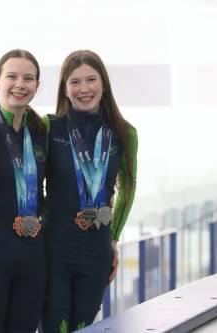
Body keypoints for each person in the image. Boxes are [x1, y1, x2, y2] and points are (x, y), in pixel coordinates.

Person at [42, 50, 138, 332]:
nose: (84, 89)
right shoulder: (49, 127)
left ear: (104, 84)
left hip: (96, 249)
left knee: (85, 327)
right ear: (65, 88)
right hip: (53, 246)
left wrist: (114, 237)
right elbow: (29, 183)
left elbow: (128, 187)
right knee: (54, 326)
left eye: (91, 80)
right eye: (75, 82)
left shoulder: (124, 133)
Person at [0, 49, 47, 333]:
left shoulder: (40, 131)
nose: (20, 84)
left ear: (37, 86)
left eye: (28, 78)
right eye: (12, 76)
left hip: (32, 254)